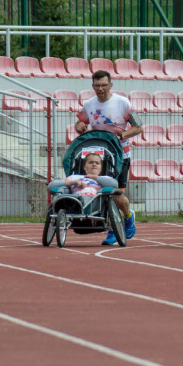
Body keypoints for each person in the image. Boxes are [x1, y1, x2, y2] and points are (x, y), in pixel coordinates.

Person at [75, 69, 142, 245]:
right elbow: (80, 122)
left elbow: (138, 127)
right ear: (93, 86)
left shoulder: (122, 103)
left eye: (104, 85)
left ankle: (128, 216)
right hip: (98, 156)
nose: (101, 88)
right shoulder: (89, 105)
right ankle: (112, 231)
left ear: (110, 85)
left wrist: (122, 136)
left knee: (117, 195)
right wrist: (80, 126)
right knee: (104, 194)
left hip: (120, 156)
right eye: (97, 85)